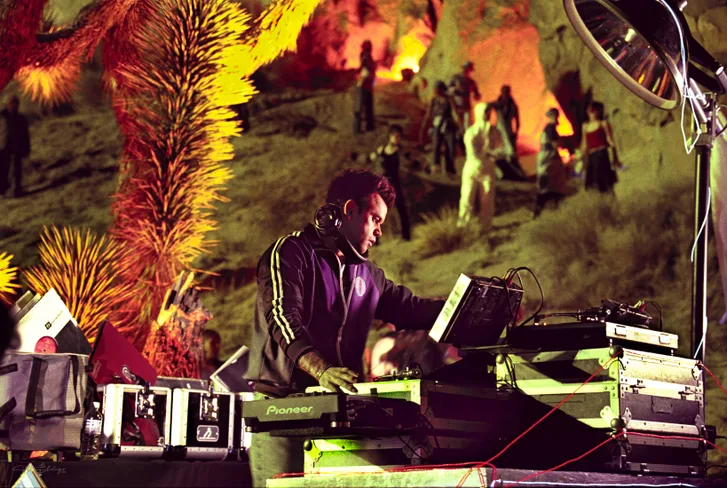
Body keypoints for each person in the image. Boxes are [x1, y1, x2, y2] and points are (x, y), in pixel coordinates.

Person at [245, 169, 445, 486]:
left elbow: (412, 309)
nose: (380, 231)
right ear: (349, 210)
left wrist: (473, 302)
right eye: (375, 219)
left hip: (341, 412)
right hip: (281, 413)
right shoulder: (290, 252)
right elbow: (282, 317)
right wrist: (321, 370)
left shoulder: (369, 275)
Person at [458, 103, 504, 229]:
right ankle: (463, 225)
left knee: (487, 198)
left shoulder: (494, 131)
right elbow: (473, 153)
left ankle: (485, 226)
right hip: (473, 167)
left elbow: (501, 148)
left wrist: (493, 154)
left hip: (487, 168)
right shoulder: (471, 132)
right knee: (467, 197)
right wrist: (490, 153)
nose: (487, 115)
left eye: (488, 112)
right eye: (485, 112)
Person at [370, 124, 411, 240]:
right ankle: (375, 238)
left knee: (401, 209)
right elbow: (371, 158)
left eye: (399, 137)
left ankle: (406, 236)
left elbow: (411, 162)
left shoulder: (400, 152)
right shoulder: (381, 150)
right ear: (390, 136)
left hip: (394, 184)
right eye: (396, 136)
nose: (398, 139)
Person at [419, 80, 460, 178]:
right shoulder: (434, 100)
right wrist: (424, 126)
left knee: (450, 147)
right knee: (436, 144)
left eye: (436, 89)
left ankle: (450, 169)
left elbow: (454, 113)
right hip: (437, 125)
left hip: (448, 125)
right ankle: (436, 167)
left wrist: (459, 125)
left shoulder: (449, 100)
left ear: (441, 89)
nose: (434, 91)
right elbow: (428, 114)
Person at [533, 108, 569, 217]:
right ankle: (539, 211)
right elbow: (555, 144)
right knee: (547, 186)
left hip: (549, 159)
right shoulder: (550, 128)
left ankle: (558, 210)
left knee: (555, 185)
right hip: (548, 160)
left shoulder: (550, 128)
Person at [579, 101, 620, 193]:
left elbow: (610, 141)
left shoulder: (603, 123)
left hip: (602, 154)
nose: (590, 113)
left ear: (598, 111)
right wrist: (581, 158)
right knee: (590, 183)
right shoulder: (585, 126)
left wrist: (615, 157)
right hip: (591, 156)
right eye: (589, 111)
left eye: (592, 111)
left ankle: (609, 197)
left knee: (603, 180)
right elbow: (584, 144)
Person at [493, 86, 526, 181]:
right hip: (499, 132)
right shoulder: (498, 104)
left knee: (511, 154)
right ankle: (501, 174)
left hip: (508, 132)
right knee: (499, 154)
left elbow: (517, 121)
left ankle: (517, 175)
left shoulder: (512, 106)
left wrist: (515, 133)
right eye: (503, 92)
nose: (504, 94)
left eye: (506, 92)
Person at [0, 97, 31, 198]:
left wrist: (26, 148)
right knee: (3, 170)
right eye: (11, 103)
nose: (14, 105)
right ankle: (3, 191)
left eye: (16, 103)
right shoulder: (2, 117)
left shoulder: (21, 118)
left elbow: (25, 135)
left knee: (16, 171)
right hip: (3, 148)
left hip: (17, 148)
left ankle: (16, 191)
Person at [449, 61, 481, 131]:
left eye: (469, 70)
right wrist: (454, 90)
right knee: (458, 128)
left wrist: (477, 95)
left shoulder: (471, 82)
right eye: (467, 69)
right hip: (456, 108)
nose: (468, 71)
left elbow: (477, 95)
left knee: (468, 128)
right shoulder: (455, 78)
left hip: (466, 108)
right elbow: (449, 91)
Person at [354, 40, 376, 134]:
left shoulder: (367, 56)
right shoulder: (365, 56)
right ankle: (358, 128)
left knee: (367, 107)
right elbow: (364, 66)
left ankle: (369, 126)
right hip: (363, 85)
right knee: (361, 108)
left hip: (367, 85)